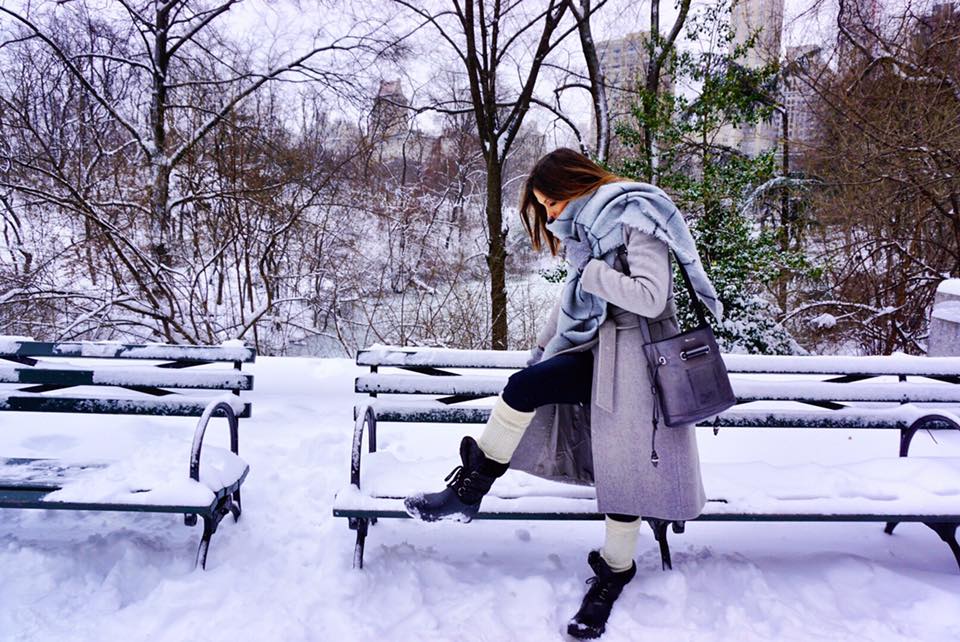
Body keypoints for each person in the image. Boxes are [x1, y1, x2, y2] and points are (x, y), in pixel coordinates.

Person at [404, 148, 722, 640]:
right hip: (597, 352)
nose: (551, 216)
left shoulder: (636, 213)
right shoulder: (589, 232)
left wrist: (593, 268)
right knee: (525, 386)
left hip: (637, 361)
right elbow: (576, 303)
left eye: (551, 203)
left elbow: (651, 296)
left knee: (624, 466)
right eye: (546, 207)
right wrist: (544, 352)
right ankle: (470, 489)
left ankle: (615, 571)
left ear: (576, 183)